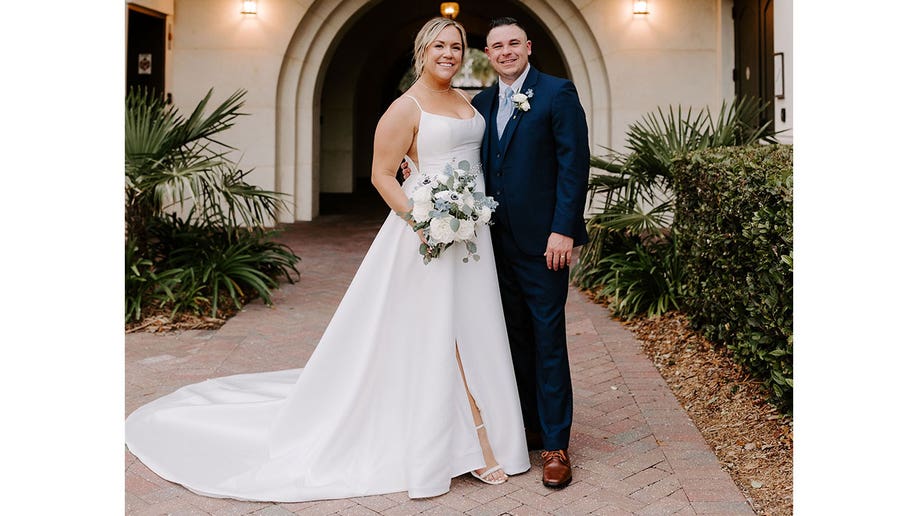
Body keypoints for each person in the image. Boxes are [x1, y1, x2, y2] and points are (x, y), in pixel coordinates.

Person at [124, 17, 530, 503]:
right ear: (421, 51)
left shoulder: (468, 101)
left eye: (456, 46)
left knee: (477, 327)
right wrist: (425, 222)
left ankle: (490, 433)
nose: (449, 53)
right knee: (443, 332)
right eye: (439, 45)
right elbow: (383, 175)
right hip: (428, 235)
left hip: (472, 234)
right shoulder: (405, 107)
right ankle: (477, 444)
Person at [404, 16, 590, 489]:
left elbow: (573, 166)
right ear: (487, 54)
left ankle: (555, 445)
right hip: (488, 244)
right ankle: (525, 425)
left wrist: (563, 230)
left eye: (513, 43)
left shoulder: (557, 93)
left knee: (547, 339)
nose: (505, 52)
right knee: (509, 339)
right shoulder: (481, 103)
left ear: (528, 47)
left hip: (544, 244)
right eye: (495, 46)